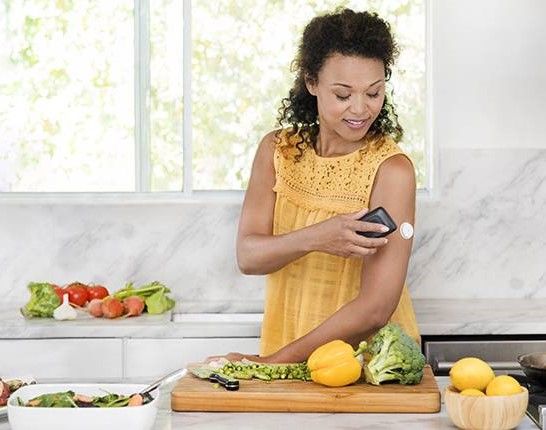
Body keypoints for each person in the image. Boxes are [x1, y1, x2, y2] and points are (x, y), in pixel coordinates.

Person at [216, 8, 419, 364]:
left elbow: (375, 309)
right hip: (287, 347)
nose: (360, 108)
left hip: (367, 368)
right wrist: (318, 237)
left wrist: (274, 363)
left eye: (373, 93)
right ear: (311, 82)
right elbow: (248, 256)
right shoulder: (277, 151)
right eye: (343, 95)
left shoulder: (392, 170)